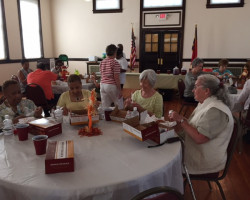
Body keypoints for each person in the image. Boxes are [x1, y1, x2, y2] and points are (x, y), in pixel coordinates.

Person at [169, 74, 234, 174]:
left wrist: (181, 121)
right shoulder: (205, 103)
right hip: (199, 152)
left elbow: (200, 138)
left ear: (207, 91)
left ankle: (168, 187)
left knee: (165, 162)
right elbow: (194, 125)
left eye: (195, 87)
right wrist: (180, 120)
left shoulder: (216, 110)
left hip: (206, 160)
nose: (192, 90)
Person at [100, 44, 122, 108]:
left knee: (105, 106)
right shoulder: (115, 63)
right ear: (115, 52)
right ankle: (118, 117)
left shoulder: (102, 62)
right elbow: (116, 77)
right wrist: (120, 90)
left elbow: (102, 74)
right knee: (118, 103)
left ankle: (106, 117)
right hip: (111, 85)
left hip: (102, 84)